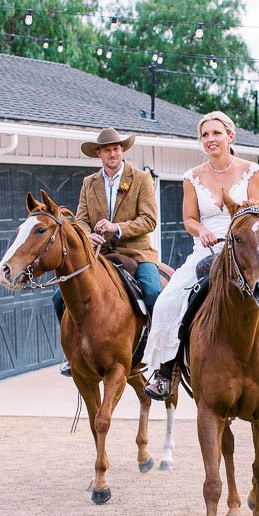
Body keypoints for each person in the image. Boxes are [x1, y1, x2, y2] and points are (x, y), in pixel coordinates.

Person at [143, 110, 259, 447]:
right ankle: (166, 372)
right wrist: (204, 232)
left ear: (230, 137)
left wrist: (245, 240)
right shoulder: (192, 176)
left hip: (249, 249)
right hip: (208, 252)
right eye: (205, 135)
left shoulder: (252, 171)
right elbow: (189, 219)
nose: (211, 139)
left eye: (216, 133)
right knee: (168, 301)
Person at [53, 127, 162, 375]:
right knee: (59, 297)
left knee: (154, 292)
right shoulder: (88, 183)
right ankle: (72, 353)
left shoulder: (142, 179)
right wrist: (85, 234)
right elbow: (80, 219)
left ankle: (157, 353)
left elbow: (149, 220)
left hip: (136, 252)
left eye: (116, 148)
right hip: (98, 255)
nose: (112, 154)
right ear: (99, 154)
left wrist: (118, 228)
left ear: (122, 151)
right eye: (107, 150)